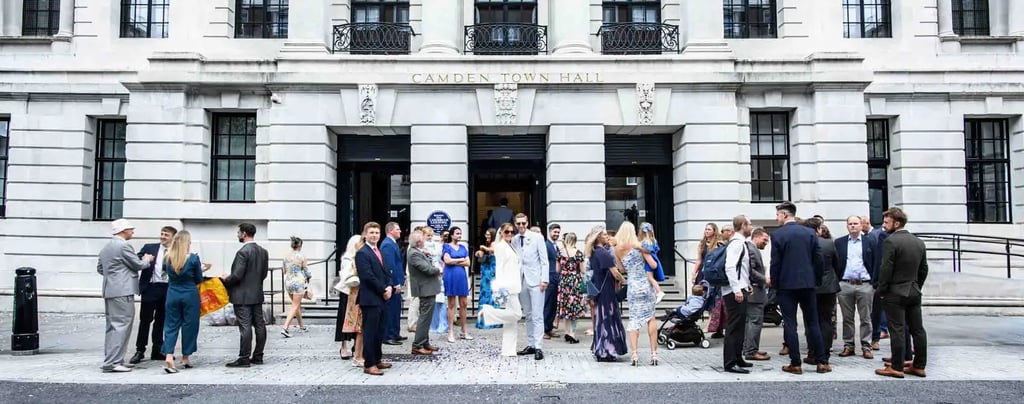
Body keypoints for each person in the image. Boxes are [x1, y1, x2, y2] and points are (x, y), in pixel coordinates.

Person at [770, 202, 829, 374]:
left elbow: (776, 263)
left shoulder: (778, 235)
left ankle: (795, 363)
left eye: (778, 215)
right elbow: (818, 260)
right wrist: (816, 280)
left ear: (784, 215)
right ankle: (822, 361)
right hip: (807, 283)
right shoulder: (809, 233)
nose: (777, 218)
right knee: (813, 322)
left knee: (790, 323)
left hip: (786, 285)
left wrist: (774, 284)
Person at [875, 207, 929, 379]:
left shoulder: (891, 242)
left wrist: (881, 290)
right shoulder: (918, 242)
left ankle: (897, 367)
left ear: (896, 223)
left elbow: (886, 269)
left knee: (897, 329)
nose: (884, 226)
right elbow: (924, 269)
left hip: (895, 292)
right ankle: (919, 365)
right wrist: (916, 285)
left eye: (886, 222)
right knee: (918, 330)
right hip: (913, 290)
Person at [97, 219, 154, 372]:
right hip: (123, 290)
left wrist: (115, 275)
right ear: (123, 231)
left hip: (110, 289)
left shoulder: (107, 247)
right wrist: (147, 259)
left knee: (112, 326)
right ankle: (113, 363)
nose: (132, 232)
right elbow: (138, 265)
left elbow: (100, 269)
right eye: (130, 229)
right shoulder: (123, 246)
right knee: (121, 326)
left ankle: (115, 359)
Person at [220, 223, 270, 368]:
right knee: (260, 325)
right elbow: (264, 274)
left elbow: (237, 275)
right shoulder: (263, 251)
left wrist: (226, 279)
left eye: (238, 232)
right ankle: (258, 355)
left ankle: (244, 358)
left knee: (245, 326)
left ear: (244, 234)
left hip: (242, 295)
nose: (237, 235)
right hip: (257, 293)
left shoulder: (243, 252)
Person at [616, 221, 662, 366]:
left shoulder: (617, 249)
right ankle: (654, 354)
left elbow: (621, 268)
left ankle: (634, 354)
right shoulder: (639, 246)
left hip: (632, 286)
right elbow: (653, 265)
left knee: (633, 319)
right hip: (645, 285)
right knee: (651, 318)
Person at [160, 230, 206, 373]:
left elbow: (164, 272)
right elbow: (199, 279)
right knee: (190, 326)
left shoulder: (167, 257)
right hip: (190, 294)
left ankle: (168, 355)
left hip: (172, 293)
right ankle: (185, 356)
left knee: (170, 325)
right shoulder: (193, 258)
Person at [130, 226, 177, 365]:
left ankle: (157, 349)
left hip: (167, 288)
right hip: (151, 287)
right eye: (162, 234)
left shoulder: (176, 251)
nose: (162, 237)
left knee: (161, 320)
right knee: (145, 320)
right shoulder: (149, 247)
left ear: (173, 237)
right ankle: (140, 350)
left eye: (166, 235)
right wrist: (144, 258)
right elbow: (136, 260)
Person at [835, 216, 878, 359]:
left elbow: (877, 262)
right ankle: (849, 345)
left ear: (861, 225)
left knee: (865, 318)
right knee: (847, 318)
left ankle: (866, 346)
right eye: (850, 224)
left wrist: (874, 283)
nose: (853, 226)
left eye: (856, 223)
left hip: (865, 284)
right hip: (845, 284)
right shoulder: (839, 242)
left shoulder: (870, 241)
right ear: (847, 226)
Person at [479, 223, 525, 356]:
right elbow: (499, 268)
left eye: (512, 232)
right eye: (507, 232)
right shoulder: (500, 247)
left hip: (514, 285)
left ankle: (509, 350)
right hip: (507, 287)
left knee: (511, 322)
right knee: (517, 314)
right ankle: (488, 313)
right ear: (501, 233)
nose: (510, 234)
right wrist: (501, 286)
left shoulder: (510, 246)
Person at [355, 222, 392, 376]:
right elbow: (367, 276)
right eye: (371, 232)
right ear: (365, 234)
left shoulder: (379, 251)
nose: (374, 235)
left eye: (377, 232)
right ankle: (369, 363)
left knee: (379, 331)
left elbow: (385, 272)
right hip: (370, 299)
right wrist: (383, 290)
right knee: (370, 332)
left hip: (382, 298)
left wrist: (389, 285)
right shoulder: (362, 253)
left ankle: (377, 359)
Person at [802, 218, 840, 366]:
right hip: (829, 287)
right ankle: (825, 353)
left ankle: (813, 353)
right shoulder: (829, 243)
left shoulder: (804, 245)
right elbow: (837, 265)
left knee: (811, 321)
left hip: (810, 286)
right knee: (826, 320)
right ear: (818, 229)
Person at [511, 213, 549, 361]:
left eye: (523, 223)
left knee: (538, 314)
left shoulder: (537, 237)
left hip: (536, 279)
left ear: (527, 223)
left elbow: (544, 261)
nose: (521, 226)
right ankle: (531, 343)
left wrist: (544, 279)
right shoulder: (514, 240)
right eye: (518, 224)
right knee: (528, 314)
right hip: (521, 280)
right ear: (515, 224)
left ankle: (539, 346)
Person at [587, 226, 627, 362]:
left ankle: (601, 348)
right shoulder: (603, 253)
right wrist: (625, 280)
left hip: (599, 289)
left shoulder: (594, 252)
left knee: (601, 319)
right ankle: (607, 349)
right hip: (606, 291)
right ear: (598, 237)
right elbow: (615, 272)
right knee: (608, 318)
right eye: (604, 234)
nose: (606, 236)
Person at [721, 215, 754, 374]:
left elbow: (742, 269)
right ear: (743, 225)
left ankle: (737, 357)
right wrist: (736, 289)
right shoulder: (737, 244)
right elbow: (730, 267)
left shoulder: (740, 243)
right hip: (734, 291)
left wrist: (746, 285)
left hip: (740, 288)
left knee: (740, 326)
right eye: (749, 224)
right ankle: (730, 362)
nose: (752, 227)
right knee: (734, 327)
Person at [407, 228, 442, 355]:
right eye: (422, 240)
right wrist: (438, 270)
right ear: (418, 242)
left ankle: (424, 342)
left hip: (427, 289)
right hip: (424, 289)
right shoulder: (414, 254)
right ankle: (417, 345)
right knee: (424, 318)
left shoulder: (417, 252)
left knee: (426, 317)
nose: (425, 241)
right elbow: (427, 269)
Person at [743, 227, 771, 362]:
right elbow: (751, 270)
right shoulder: (752, 249)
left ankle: (748, 348)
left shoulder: (751, 248)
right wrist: (764, 279)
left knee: (750, 322)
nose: (766, 243)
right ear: (756, 237)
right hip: (754, 292)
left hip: (752, 292)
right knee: (755, 322)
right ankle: (751, 351)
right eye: (765, 240)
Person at [442, 226, 473, 343]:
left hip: (461, 276)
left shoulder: (463, 247)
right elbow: (447, 261)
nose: (459, 235)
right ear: (451, 234)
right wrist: (461, 259)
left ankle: (464, 330)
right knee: (451, 303)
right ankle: (450, 331)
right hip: (450, 276)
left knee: (464, 303)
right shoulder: (446, 246)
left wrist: (455, 261)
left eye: (460, 233)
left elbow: (468, 262)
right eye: (457, 233)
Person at [556, 232, 586, 343]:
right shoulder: (578, 253)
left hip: (563, 282)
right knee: (574, 307)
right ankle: (573, 334)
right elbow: (583, 270)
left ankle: (566, 332)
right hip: (574, 282)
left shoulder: (560, 253)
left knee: (565, 307)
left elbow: (557, 270)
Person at [335, 235, 361, 362]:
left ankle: (356, 345)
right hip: (348, 292)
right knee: (344, 319)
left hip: (359, 291)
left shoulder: (361, 256)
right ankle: (343, 345)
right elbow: (346, 276)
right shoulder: (347, 258)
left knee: (358, 320)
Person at [381, 222, 406, 345]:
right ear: (390, 231)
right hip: (392, 283)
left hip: (397, 281)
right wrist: (395, 282)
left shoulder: (393, 243)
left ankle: (395, 333)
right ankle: (388, 335)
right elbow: (389, 266)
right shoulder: (387, 245)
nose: (400, 231)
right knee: (391, 309)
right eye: (398, 229)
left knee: (396, 309)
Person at [281, 236, 311, 337]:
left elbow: (284, 270)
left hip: (288, 282)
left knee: (296, 305)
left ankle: (301, 326)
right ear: (300, 246)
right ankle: (285, 328)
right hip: (298, 282)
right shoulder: (302, 256)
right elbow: (306, 271)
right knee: (295, 305)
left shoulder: (286, 256)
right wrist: (309, 276)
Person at [475, 228, 501, 330]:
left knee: (491, 294)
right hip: (485, 271)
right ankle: (484, 319)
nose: (487, 236)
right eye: (486, 234)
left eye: (489, 235)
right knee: (485, 294)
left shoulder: (495, 244)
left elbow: (494, 251)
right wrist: (479, 252)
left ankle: (491, 321)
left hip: (491, 271)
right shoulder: (488, 244)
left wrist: (484, 248)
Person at [543, 224, 562, 339]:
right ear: (549, 231)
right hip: (549, 278)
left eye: (558, 232)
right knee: (548, 304)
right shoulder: (546, 245)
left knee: (553, 305)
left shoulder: (556, 246)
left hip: (556, 278)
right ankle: (544, 330)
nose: (557, 234)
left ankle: (549, 328)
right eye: (555, 232)